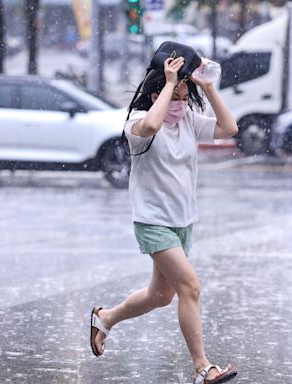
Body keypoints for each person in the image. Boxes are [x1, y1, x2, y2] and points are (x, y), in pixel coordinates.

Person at [90, 55, 239, 384]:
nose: (181, 105)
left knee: (161, 296)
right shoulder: (137, 126)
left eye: (186, 99)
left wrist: (208, 89)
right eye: (174, 98)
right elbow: (153, 125)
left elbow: (229, 128)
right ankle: (203, 369)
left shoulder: (187, 120)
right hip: (153, 221)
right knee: (190, 287)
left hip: (182, 221)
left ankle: (106, 318)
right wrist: (170, 82)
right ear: (156, 96)